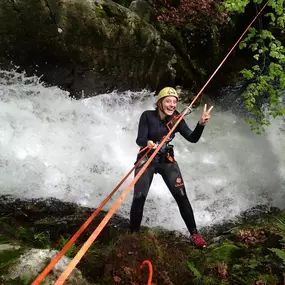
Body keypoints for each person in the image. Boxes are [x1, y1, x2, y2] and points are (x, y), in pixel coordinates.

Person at [130, 87, 213, 248]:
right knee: (139, 197)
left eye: (175, 102)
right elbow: (140, 138)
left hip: (166, 160)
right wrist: (147, 143)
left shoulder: (177, 119)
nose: (172, 105)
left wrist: (201, 124)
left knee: (182, 196)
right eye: (168, 101)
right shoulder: (147, 116)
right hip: (146, 158)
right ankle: (133, 236)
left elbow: (192, 138)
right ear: (160, 103)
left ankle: (195, 235)